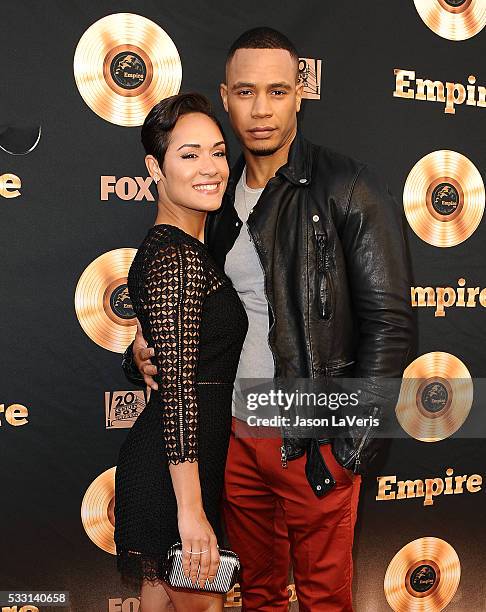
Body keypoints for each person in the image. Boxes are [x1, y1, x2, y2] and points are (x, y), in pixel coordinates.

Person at [122, 28, 415, 611]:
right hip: (233, 436)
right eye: (247, 92)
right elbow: (196, 316)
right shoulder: (218, 197)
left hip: (314, 435)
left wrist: (351, 446)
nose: (261, 109)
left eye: (278, 91)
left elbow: (390, 323)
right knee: (257, 594)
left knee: (324, 597)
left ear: (300, 94)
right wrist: (138, 353)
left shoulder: (346, 185)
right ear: (226, 98)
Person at [114, 92, 248, 612]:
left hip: (182, 471)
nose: (210, 168)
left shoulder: (190, 250)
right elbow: (179, 395)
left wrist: (137, 355)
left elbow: (173, 362)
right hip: (173, 480)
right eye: (188, 155)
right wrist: (191, 512)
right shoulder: (174, 256)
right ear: (155, 168)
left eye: (217, 152)